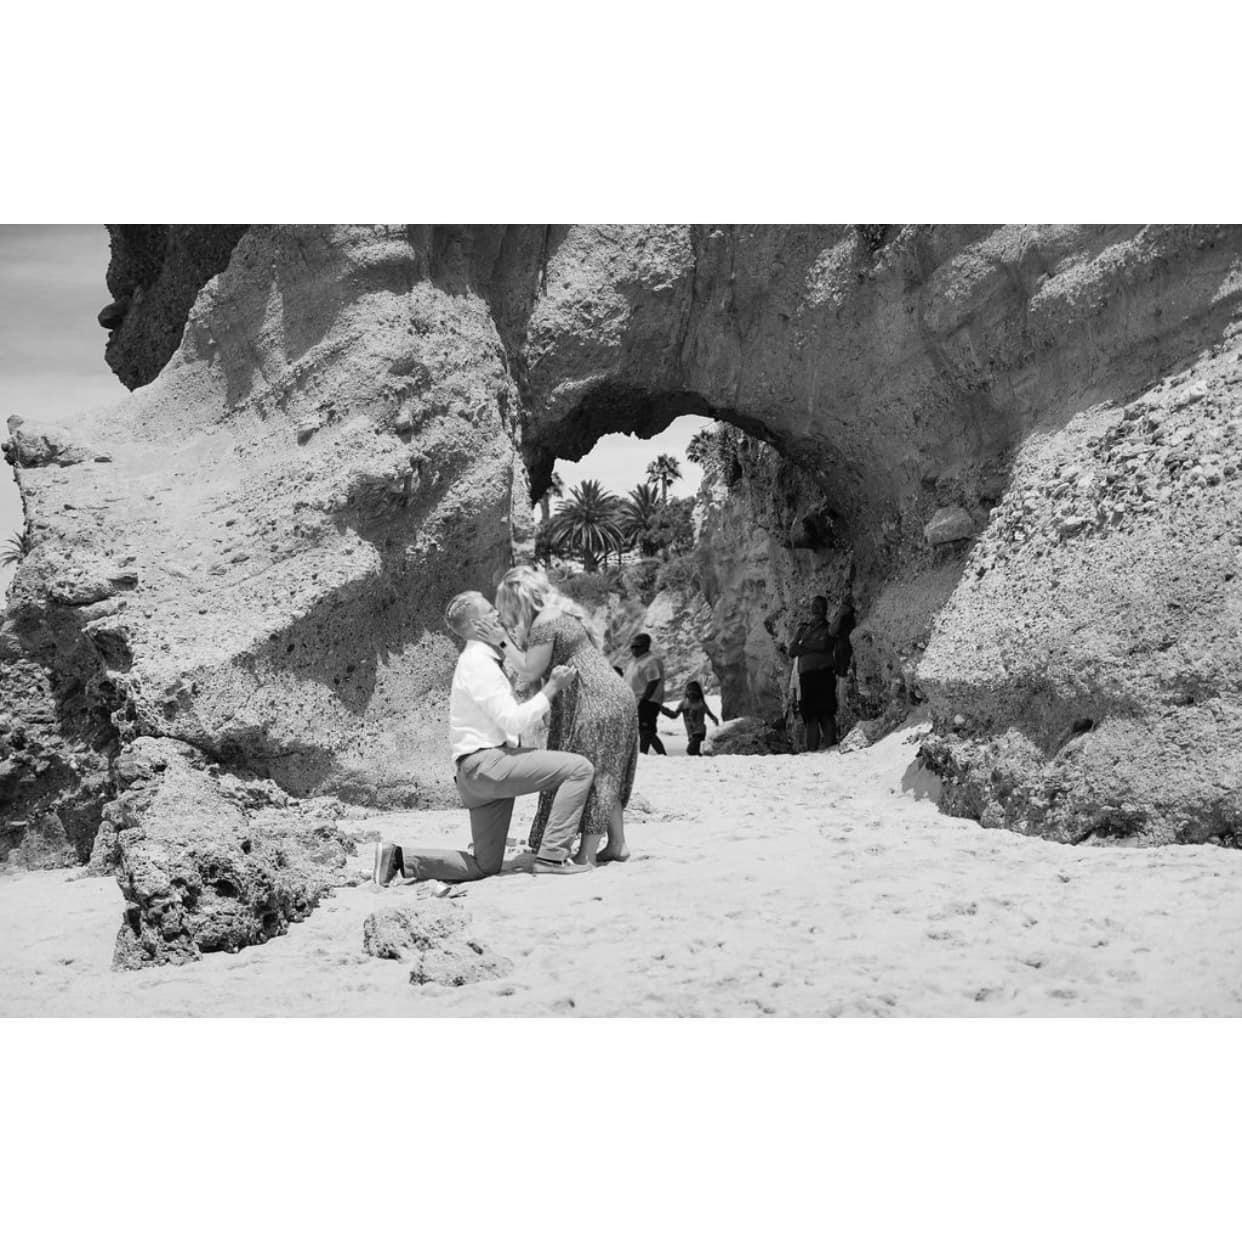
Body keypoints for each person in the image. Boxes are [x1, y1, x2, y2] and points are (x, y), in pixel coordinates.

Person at [372, 590, 594, 886]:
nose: (498, 614)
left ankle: (399, 858)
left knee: (484, 866)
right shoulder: (479, 663)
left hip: (475, 775)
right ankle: (552, 857)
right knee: (580, 769)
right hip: (489, 766)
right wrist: (553, 687)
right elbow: (513, 720)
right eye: (490, 611)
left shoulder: (479, 660)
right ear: (478, 625)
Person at [495, 566, 638, 865]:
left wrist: (502, 641)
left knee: (591, 771)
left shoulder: (544, 622)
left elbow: (530, 670)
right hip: (613, 694)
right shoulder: (560, 614)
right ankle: (617, 845)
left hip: (593, 700)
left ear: (518, 601)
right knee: (607, 770)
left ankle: (586, 855)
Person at [788, 595, 837, 750]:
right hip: (806, 678)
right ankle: (812, 752)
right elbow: (792, 650)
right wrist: (813, 646)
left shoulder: (828, 628)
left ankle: (830, 747)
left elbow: (825, 645)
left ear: (825, 609)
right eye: (814, 606)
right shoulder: (803, 629)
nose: (816, 609)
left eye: (820, 606)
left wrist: (804, 648)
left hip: (824, 675)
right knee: (810, 716)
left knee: (826, 714)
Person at [625, 633, 666, 755]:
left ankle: (643, 754)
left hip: (648, 700)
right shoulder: (634, 662)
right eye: (632, 646)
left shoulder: (651, 660)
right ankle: (661, 754)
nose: (634, 649)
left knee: (646, 730)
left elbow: (653, 680)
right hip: (635, 700)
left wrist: (644, 700)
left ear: (646, 646)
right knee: (645, 730)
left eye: (637, 646)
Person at [662, 680, 719, 755]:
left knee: (690, 751)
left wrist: (715, 721)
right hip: (690, 734)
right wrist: (663, 709)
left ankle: (706, 759)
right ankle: (706, 760)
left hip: (699, 733)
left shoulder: (701, 703)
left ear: (697, 692)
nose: (690, 693)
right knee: (694, 753)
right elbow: (674, 715)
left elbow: (710, 715)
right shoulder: (683, 703)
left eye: (692, 691)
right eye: (689, 690)